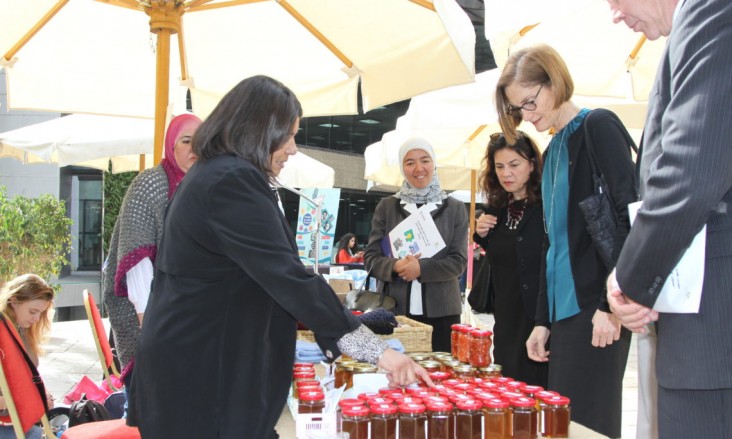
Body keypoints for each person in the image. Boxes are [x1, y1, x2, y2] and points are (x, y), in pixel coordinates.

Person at [128, 75, 431, 438]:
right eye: (288, 135)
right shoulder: (230, 181)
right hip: (203, 380)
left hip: (199, 371)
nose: (292, 149)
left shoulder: (219, 174)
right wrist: (377, 351)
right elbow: (288, 277)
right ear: (259, 129)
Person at [495, 44, 637, 438]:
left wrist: (612, 305)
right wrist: (542, 321)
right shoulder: (554, 148)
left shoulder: (598, 127)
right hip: (566, 313)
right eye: (518, 109)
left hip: (597, 307)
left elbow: (628, 216)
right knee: (565, 425)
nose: (527, 115)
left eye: (530, 101)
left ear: (553, 81)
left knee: (590, 423)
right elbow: (551, 243)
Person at [605, 1, 732, 438]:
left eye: (616, 0)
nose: (615, 16)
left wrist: (630, 279)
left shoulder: (710, 10)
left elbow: (689, 166)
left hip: (713, 338)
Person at [103, 113, 202, 397]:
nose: (195, 149)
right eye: (186, 141)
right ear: (171, 145)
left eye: (201, 141)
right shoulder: (151, 185)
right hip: (154, 330)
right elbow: (137, 267)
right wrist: (156, 337)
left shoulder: (201, 188)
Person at [364, 137, 468, 353]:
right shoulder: (387, 207)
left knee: (440, 374)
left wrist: (421, 269)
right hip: (394, 311)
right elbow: (371, 258)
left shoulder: (454, 208)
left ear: (434, 164)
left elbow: (458, 262)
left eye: (425, 160)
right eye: (410, 162)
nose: (418, 168)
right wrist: (395, 266)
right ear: (402, 167)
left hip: (443, 312)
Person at [473, 132, 548, 388]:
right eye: (500, 166)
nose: (507, 173)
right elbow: (503, 256)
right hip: (506, 322)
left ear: (532, 164)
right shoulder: (498, 209)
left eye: (514, 165)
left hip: (540, 320)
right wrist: (482, 235)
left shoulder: (547, 206)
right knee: (509, 394)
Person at [0, 274, 55, 439]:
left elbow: (25, 375)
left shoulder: (19, 330)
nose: (37, 318)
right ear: (14, 301)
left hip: (19, 422)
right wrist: (30, 400)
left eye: (41, 313)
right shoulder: (5, 333)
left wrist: (41, 393)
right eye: (33, 311)